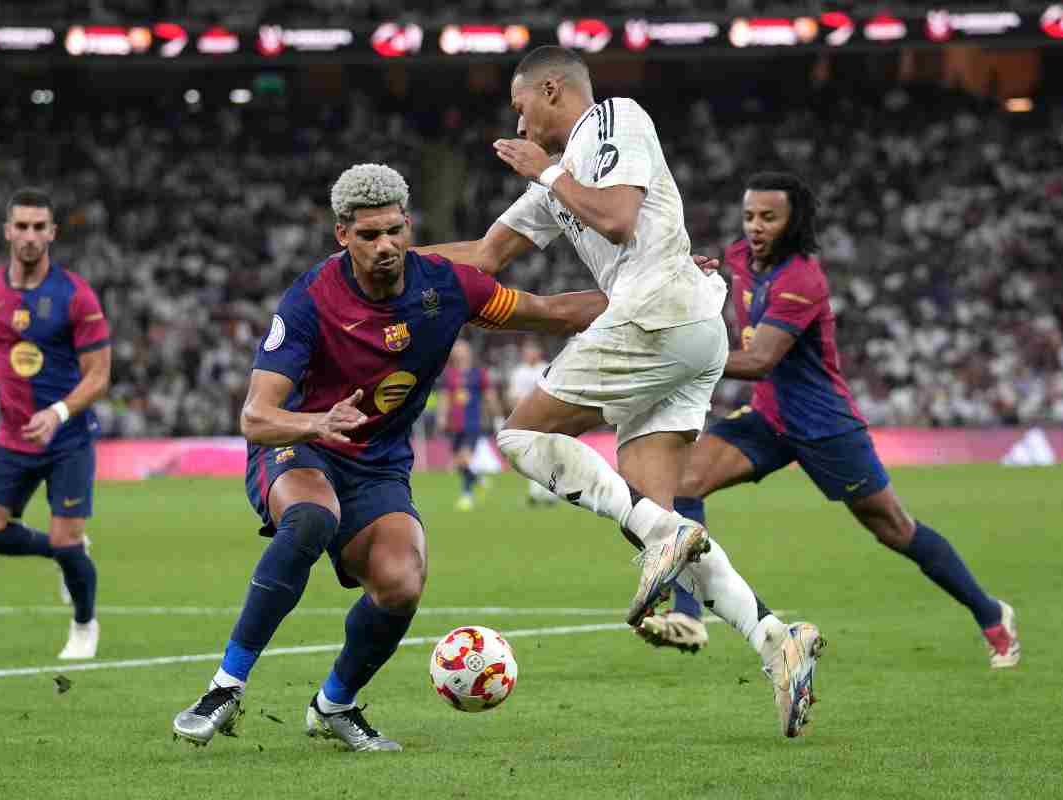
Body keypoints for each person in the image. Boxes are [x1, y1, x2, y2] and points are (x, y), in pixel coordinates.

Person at [418, 46, 824, 738]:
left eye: (521, 104)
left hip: (657, 312)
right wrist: (390, 261)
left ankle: (664, 536)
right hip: (683, 332)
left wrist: (544, 169)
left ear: (553, 90)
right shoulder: (560, 179)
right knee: (652, 511)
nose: (516, 119)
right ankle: (777, 641)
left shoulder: (613, 119)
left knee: (520, 435)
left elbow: (617, 219)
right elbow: (486, 258)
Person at [172, 163, 609, 751]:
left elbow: (551, 312)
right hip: (298, 442)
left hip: (376, 463)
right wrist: (316, 422)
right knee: (311, 517)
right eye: (369, 235)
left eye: (394, 231)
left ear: (409, 225)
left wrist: (660, 290)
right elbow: (256, 415)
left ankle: (335, 705)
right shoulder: (311, 299)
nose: (385, 246)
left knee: (401, 583)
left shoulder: (446, 287)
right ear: (342, 236)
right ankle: (225, 687)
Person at [638, 172, 1020, 670]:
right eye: (750, 216)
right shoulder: (739, 257)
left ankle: (993, 616)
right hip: (768, 417)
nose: (755, 226)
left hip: (825, 426)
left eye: (769, 218)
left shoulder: (803, 279)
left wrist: (680, 358)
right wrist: (693, 272)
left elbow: (760, 361)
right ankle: (688, 616)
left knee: (893, 528)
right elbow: (713, 279)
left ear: (793, 221)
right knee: (682, 483)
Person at [0, 187, 110, 660]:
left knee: (66, 535)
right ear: (7, 231)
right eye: (20, 226)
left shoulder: (75, 295)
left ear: (52, 233)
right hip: (12, 439)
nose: (29, 235)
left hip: (67, 439)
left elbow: (100, 376)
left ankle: (84, 625)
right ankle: (67, 552)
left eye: (38, 226)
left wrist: (59, 412)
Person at [435, 338, 503, 511]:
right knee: (459, 463)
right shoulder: (448, 374)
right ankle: (478, 479)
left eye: (462, 348)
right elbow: (444, 397)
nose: (459, 351)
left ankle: (467, 496)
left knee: (465, 458)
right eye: (457, 348)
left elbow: (489, 396)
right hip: (453, 424)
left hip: (473, 423)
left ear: (469, 352)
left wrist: (497, 417)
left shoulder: (479, 373)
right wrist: (441, 417)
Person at [505, 339, 558, 506]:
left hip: (546, 416)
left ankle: (550, 493)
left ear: (539, 352)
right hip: (527, 418)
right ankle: (535, 493)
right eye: (527, 350)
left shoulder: (547, 368)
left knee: (548, 455)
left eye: (532, 350)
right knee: (532, 455)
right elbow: (513, 396)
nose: (529, 353)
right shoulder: (519, 372)